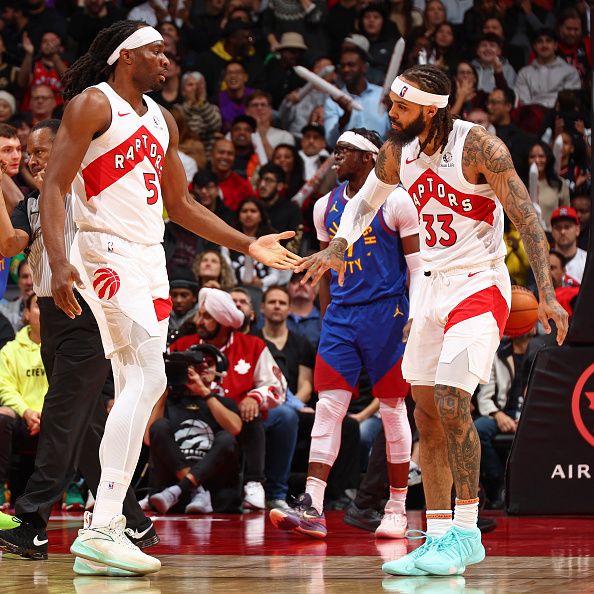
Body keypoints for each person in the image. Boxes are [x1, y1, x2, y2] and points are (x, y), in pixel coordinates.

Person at [37, 20, 299, 576]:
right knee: (147, 380)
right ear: (126, 56)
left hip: (148, 254)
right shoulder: (93, 104)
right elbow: (55, 186)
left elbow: (180, 206)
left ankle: (102, 525)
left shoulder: (163, 120)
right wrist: (61, 262)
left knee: (141, 382)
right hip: (103, 250)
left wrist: (249, 241)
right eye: (156, 51)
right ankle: (103, 521)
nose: (167, 60)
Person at [297, 64, 568, 576]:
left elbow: (528, 217)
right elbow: (362, 205)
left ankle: (467, 530)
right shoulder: (398, 151)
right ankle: (438, 534)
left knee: (450, 399)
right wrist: (336, 248)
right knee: (424, 413)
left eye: (400, 107)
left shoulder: (480, 148)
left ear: (430, 109)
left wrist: (548, 295)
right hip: (431, 289)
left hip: (480, 284)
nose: (391, 115)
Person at [0, 119, 158, 562]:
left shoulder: (94, 192)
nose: (31, 159)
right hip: (51, 317)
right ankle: (134, 520)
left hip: (89, 314)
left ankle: (31, 520)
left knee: (62, 419)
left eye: (40, 151)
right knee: (85, 428)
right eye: (27, 153)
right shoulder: (33, 203)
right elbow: (11, 244)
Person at [270, 127, 420, 540]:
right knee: (327, 409)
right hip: (341, 318)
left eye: (344, 152)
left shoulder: (397, 200)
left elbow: (417, 266)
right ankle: (313, 505)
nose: (335, 158)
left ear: (369, 158)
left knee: (392, 409)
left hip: (387, 314)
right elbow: (323, 271)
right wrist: (326, 316)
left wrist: (416, 313)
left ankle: (396, 507)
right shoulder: (324, 206)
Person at [170, 288, 292, 509]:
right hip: (190, 413)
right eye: (200, 314)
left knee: (252, 414)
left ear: (223, 321)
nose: (199, 321)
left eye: (207, 317)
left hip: (232, 420)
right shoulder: (182, 345)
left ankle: (254, 483)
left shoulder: (253, 346)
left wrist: (255, 397)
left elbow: (278, 387)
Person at [144, 344, 242, 514]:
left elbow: (234, 428)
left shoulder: (224, 403)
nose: (202, 368)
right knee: (158, 426)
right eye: (197, 365)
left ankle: (187, 488)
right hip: (171, 485)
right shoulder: (168, 402)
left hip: (211, 491)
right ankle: (196, 490)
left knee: (226, 438)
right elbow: (148, 439)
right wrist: (163, 392)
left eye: (209, 364)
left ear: (218, 371)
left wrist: (204, 392)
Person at [474, 327, 536, 509]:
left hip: (534, 415)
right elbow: (484, 396)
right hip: (501, 413)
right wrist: (498, 415)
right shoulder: (497, 354)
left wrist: (524, 419)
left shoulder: (543, 352)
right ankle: (499, 485)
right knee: (477, 430)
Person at [0, 294, 46, 508]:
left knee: (83, 414)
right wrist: (27, 412)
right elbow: (5, 388)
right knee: (2, 416)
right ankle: (0, 487)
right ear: (27, 314)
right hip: (22, 419)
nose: (44, 310)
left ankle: (76, 486)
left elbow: (66, 388)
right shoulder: (9, 350)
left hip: (53, 419)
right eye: (38, 306)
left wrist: (46, 414)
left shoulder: (63, 349)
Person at [550, 207, 586, 284]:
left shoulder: (587, 261)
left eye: (567, 227)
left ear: (577, 230)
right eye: (558, 227)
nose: (562, 231)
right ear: (552, 231)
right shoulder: (542, 262)